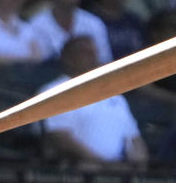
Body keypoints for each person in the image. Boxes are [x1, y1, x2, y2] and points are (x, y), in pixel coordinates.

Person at [42, 36, 147, 168]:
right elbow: (60, 137)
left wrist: (139, 166)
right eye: (85, 52)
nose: (92, 56)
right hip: (78, 171)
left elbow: (135, 139)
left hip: (121, 173)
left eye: (94, 52)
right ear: (67, 58)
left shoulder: (114, 95)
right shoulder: (54, 90)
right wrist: (103, 165)